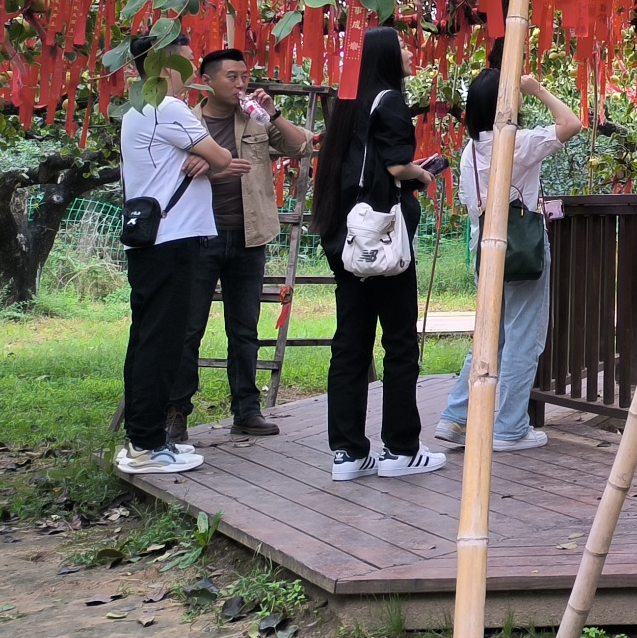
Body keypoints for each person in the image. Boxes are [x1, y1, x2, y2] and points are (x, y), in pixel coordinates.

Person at [312, 26, 444, 481]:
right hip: (385, 240)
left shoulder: (348, 105)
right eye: (403, 47)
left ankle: (347, 453)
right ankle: (401, 449)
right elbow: (393, 166)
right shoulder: (389, 100)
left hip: (348, 239)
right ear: (386, 57)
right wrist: (421, 176)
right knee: (400, 342)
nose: (410, 52)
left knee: (350, 344)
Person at [166, 49, 315, 444]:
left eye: (245, 76)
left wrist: (275, 113)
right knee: (188, 328)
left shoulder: (254, 119)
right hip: (199, 236)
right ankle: (176, 412)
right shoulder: (186, 121)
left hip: (249, 237)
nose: (241, 84)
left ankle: (246, 410)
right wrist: (209, 171)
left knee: (244, 329)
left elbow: (304, 147)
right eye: (232, 77)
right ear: (208, 80)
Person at [116, 31, 247, 476]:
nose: (194, 73)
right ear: (162, 65)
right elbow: (220, 156)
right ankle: (147, 445)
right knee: (161, 340)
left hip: (154, 240)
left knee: (148, 338)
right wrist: (211, 158)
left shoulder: (136, 108)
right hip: (171, 240)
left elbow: (207, 159)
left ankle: (142, 436)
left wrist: (206, 159)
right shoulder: (166, 107)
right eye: (188, 62)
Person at [434, 70, 582, 452]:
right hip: (522, 248)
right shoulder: (517, 143)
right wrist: (538, 90)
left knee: (488, 334)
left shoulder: (469, 151)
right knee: (523, 337)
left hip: (484, 247)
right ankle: (510, 428)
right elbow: (572, 123)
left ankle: (455, 417)